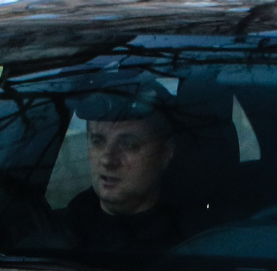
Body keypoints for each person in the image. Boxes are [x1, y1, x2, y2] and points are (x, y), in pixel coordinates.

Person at [49, 97, 185, 254]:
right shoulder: (54, 238)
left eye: (128, 144)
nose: (107, 160)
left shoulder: (195, 244)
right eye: (98, 141)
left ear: (166, 153)